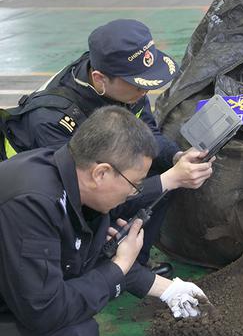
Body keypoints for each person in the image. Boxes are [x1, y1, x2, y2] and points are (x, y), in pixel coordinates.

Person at [0, 19, 214, 276]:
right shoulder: (52, 119)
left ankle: (134, 263)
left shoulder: (120, 82)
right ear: (101, 79)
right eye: (138, 84)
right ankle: (105, 265)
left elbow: (147, 133)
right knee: (162, 181)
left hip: (87, 175)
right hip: (39, 199)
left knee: (164, 168)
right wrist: (169, 179)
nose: (145, 91)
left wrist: (176, 157)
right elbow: (79, 195)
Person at [0, 106, 208, 336]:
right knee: (75, 332)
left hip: (17, 292)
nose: (134, 193)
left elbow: (85, 259)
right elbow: (44, 313)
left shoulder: (74, 179)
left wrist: (168, 290)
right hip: (19, 307)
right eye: (135, 184)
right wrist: (118, 267)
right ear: (101, 173)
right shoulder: (31, 204)